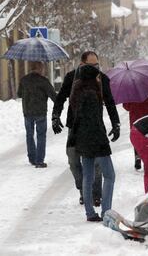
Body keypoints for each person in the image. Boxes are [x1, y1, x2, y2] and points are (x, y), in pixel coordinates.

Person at [51, 51, 120, 206]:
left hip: (95, 126)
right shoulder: (71, 77)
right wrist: (55, 116)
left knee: (95, 163)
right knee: (73, 160)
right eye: (91, 65)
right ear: (82, 64)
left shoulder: (102, 79)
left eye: (97, 64)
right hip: (75, 126)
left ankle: (95, 194)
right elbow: (61, 97)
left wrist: (116, 123)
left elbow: (110, 102)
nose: (95, 68)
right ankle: (83, 188)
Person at [69, 64, 118, 222]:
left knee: (88, 177)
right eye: (97, 77)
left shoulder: (78, 92)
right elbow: (95, 121)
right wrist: (103, 140)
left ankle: (90, 212)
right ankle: (106, 212)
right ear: (92, 78)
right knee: (109, 175)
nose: (99, 79)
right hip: (96, 139)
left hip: (83, 139)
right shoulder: (91, 94)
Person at [17, 61, 56, 168]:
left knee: (29, 135)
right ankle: (39, 161)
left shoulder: (24, 80)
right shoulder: (44, 81)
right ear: (39, 69)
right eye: (42, 68)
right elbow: (53, 95)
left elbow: (19, 94)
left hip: (27, 112)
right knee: (41, 135)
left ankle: (32, 158)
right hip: (40, 113)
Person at [123, 91, 148, 170]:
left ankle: (138, 156)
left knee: (138, 140)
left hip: (136, 120)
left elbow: (126, 106)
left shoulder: (131, 90)